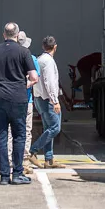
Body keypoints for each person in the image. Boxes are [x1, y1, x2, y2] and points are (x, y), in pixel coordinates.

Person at [0, 23, 39, 185]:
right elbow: (34, 77)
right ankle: (18, 173)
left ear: (3, 34)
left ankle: (4, 175)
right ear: (17, 34)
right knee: (19, 135)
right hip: (18, 98)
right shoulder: (24, 52)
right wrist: (23, 85)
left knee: (1, 135)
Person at [29, 36, 64, 169]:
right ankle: (33, 151)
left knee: (48, 128)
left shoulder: (39, 60)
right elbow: (50, 83)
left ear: (43, 47)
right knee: (55, 128)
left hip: (39, 98)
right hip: (48, 99)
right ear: (55, 47)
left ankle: (49, 159)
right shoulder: (48, 61)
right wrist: (55, 101)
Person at [8, 31, 39, 174]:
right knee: (25, 131)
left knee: (9, 131)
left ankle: (9, 161)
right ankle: (24, 161)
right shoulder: (31, 58)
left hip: (8, 99)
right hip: (26, 100)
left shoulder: (6, 56)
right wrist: (22, 85)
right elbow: (34, 78)